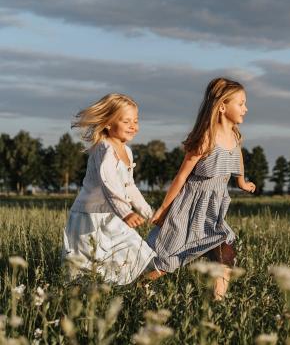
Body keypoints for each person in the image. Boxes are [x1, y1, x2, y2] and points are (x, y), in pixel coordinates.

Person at [147, 77, 255, 300]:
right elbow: (181, 177)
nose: (246, 108)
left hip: (213, 212)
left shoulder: (234, 135)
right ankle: (138, 286)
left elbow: (238, 156)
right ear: (222, 107)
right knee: (170, 258)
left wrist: (241, 181)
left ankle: (218, 304)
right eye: (241, 103)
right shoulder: (206, 138)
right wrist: (163, 209)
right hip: (190, 208)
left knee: (225, 256)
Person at [63, 93, 157, 285]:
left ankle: (125, 291)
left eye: (136, 121)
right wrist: (126, 212)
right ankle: (81, 301)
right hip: (89, 217)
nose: (133, 126)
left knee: (137, 251)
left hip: (113, 215)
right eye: (126, 121)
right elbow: (108, 184)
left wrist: (148, 213)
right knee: (87, 269)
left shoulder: (127, 151)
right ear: (108, 123)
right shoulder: (104, 149)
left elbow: (128, 186)